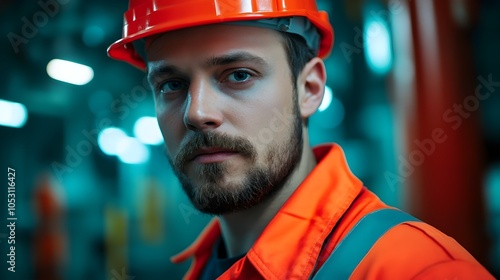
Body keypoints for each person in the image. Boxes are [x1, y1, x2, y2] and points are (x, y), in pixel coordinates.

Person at [108, 0, 494, 279]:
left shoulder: (419, 270)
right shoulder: (205, 266)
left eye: (238, 75)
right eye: (171, 84)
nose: (196, 112)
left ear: (309, 89)